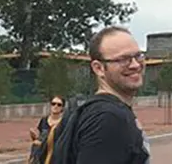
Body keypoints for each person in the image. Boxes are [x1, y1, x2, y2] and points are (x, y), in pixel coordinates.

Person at [49, 26, 151, 164]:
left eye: (138, 56)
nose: (135, 65)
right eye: (122, 59)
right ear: (99, 68)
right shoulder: (107, 118)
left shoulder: (93, 111)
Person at [28, 95, 64, 163]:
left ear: (62, 108)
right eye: (53, 104)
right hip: (42, 155)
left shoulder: (64, 123)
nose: (55, 106)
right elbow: (40, 137)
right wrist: (34, 137)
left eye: (59, 105)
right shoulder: (44, 120)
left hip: (56, 155)